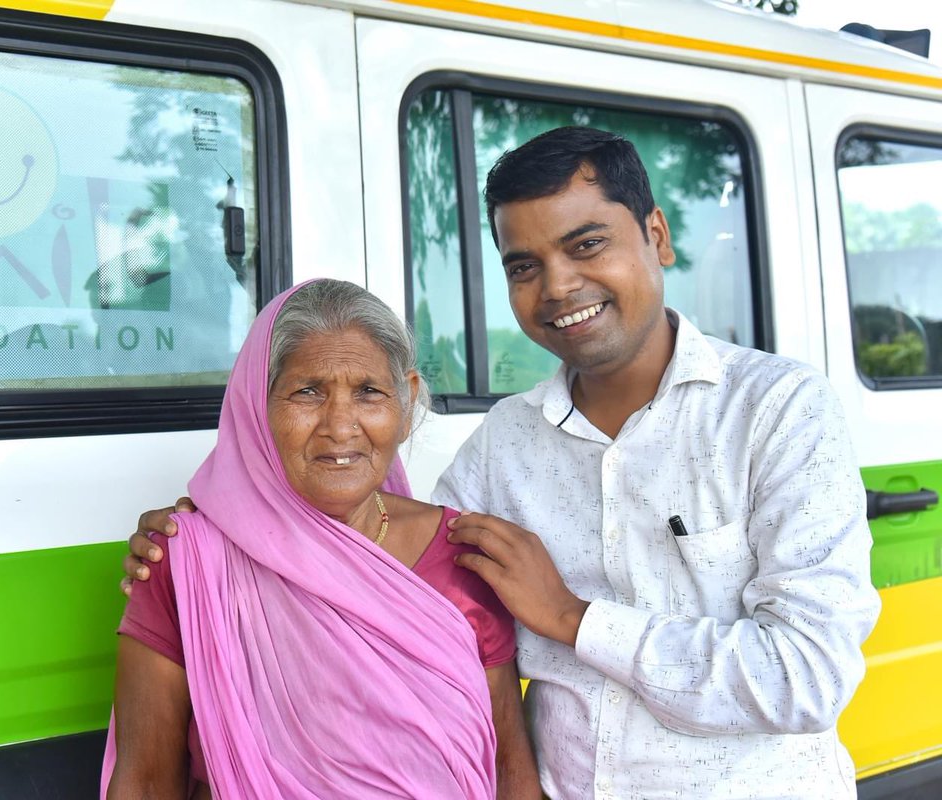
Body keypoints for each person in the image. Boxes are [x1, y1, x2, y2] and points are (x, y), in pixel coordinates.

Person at [126, 127, 881, 798]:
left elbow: (805, 676)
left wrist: (570, 617)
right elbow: (365, 571)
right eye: (525, 265)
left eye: (587, 245)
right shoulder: (503, 450)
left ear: (657, 234)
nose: (558, 286)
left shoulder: (775, 412)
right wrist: (217, 525)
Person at [104, 279, 539, 799]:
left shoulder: (463, 553)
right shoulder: (187, 560)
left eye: (369, 392)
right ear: (256, 407)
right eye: (307, 391)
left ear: (407, 402)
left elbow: (509, 769)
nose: (340, 425)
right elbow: (146, 781)